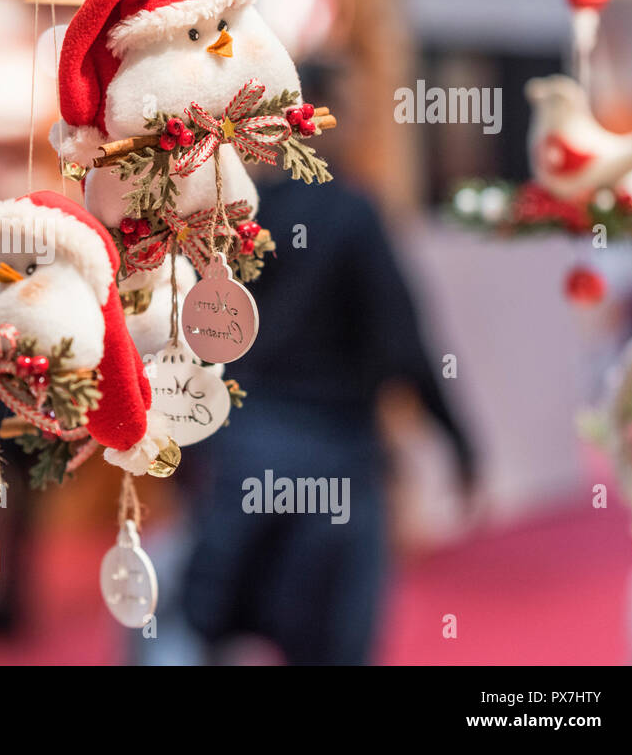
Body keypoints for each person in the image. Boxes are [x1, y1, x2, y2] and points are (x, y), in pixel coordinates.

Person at [179, 174, 477, 665]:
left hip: (241, 456)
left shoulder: (220, 223)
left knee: (217, 629)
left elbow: (187, 343)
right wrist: (458, 441)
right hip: (338, 467)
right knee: (334, 646)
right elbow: (402, 343)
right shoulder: (351, 214)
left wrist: (188, 458)